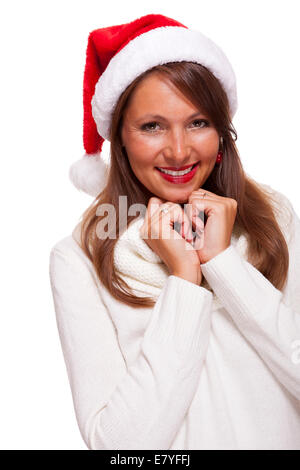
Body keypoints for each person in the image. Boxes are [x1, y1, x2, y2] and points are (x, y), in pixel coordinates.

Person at [49, 13, 300, 450]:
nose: (180, 150)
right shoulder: (80, 259)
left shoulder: (273, 219)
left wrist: (222, 263)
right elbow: (120, 449)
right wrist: (185, 278)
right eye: (152, 126)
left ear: (222, 132)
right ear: (120, 138)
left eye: (198, 122)